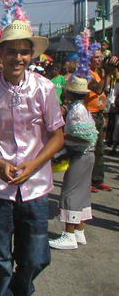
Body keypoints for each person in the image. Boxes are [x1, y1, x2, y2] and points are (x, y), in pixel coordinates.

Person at [0, 20, 64, 296]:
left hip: (36, 188)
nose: (18, 58)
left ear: (31, 54)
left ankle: (20, 290)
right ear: (1, 55)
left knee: (36, 257)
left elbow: (57, 135)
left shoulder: (44, 89)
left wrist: (34, 164)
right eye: (11, 52)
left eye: (24, 52)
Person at [49, 76, 97, 250]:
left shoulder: (77, 111)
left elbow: (86, 136)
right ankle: (78, 231)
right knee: (82, 193)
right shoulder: (78, 108)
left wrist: (63, 137)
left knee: (70, 193)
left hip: (81, 155)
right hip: (86, 155)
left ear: (69, 92)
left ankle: (69, 234)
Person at [84, 49, 116, 192]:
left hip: (98, 114)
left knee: (99, 150)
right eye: (95, 57)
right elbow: (97, 90)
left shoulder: (98, 73)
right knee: (89, 150)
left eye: (100, 57)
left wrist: (108, 72)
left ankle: (98, 180)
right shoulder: (86, 73)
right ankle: (87, 181)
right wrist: (107, 73)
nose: (99, 59)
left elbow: (104, 91)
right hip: (88, 115)